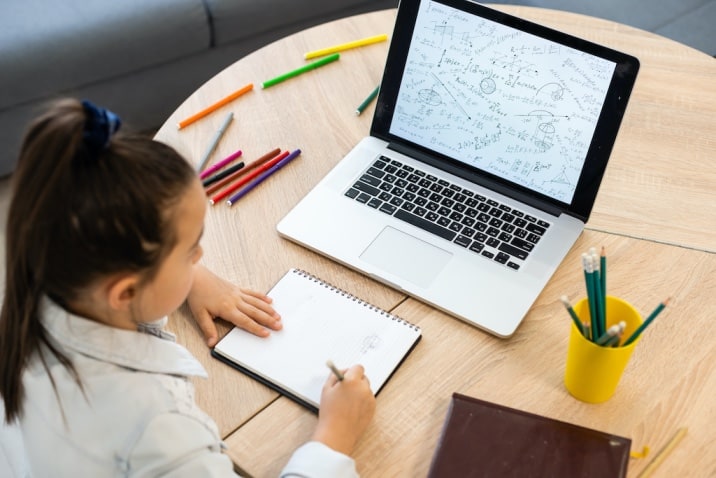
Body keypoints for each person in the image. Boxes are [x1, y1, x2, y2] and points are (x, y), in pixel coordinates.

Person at [0, 99, 376, 477]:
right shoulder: (159, 430)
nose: (202, 255)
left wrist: (188, 277)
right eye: (189, 249)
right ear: (126, 291)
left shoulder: (39, 285)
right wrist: (333, 439)